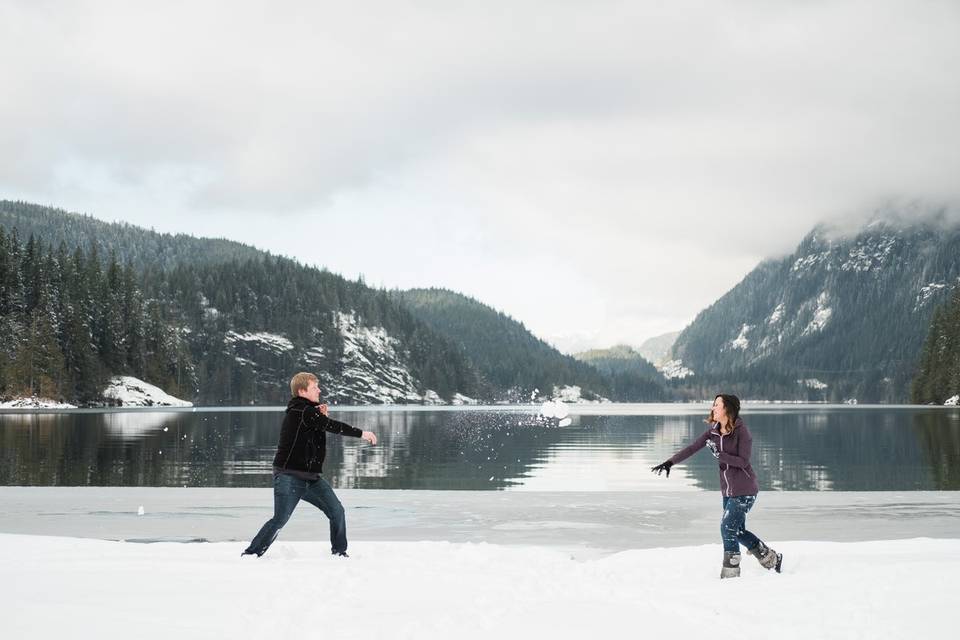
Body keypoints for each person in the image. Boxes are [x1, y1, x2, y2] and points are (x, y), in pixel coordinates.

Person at [243, 372, 377, 558]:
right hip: (289, 476)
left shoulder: (309, 412)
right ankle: (251, 553)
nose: (319, 390)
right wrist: (362, 433)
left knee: (337, 511)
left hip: (311, 478)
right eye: (315, 387)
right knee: (280, 519)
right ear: (302, 391)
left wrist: (319, 415)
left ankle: (339, 553)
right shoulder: (302, 411)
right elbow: (332, 426)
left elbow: (317, 437)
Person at [650, 394, 782, 578]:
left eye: (716, 405)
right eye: (713, 405)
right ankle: (771, 558)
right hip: (728, 491)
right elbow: (692, 448)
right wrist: (670, 462)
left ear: (727, 409)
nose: (713, 408)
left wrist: (720, 454)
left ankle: (731, 572)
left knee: (727, 527)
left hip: (745, 490)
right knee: (738, 531)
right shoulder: (712, 432)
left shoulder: (742, 432)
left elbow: (743, 462)